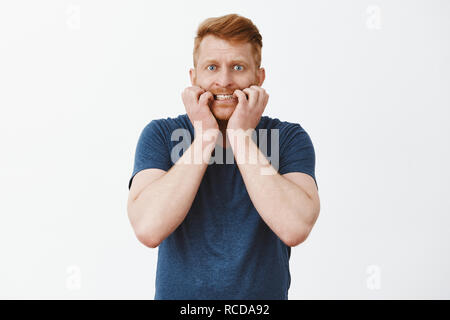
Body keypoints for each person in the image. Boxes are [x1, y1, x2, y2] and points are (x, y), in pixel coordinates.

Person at [127, 13, 320, 300]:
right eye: (212, 67)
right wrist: (205, 136)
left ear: (259, 77)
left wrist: (240, 136)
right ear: (194, 77)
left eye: (238, 67)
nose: (224, 81)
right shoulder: (161, 134)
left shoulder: (289, 138)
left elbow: (295, 227)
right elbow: (148, 229)